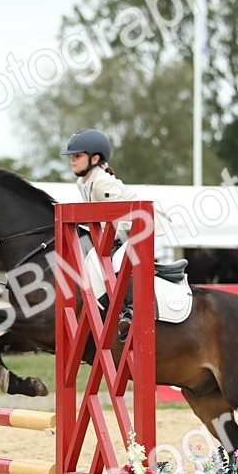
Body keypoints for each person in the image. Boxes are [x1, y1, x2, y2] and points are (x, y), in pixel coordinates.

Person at [62, 128, 172, 340]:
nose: (72, 160)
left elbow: (118, 218)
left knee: (120, 261)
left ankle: (131, 312)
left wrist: (109, 240)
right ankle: (108, 306)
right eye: (72, 156)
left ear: (95, 158)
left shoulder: (102, 181)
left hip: (151, 229)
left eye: (77, 156)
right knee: (94, 261)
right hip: (132, 230)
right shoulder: (82, 182)